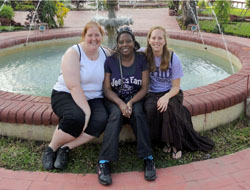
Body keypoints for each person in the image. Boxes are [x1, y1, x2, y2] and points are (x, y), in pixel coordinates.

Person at [42, 21, 109, 170]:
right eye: (89, 35)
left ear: (102, 36)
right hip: (66, 93)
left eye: (97, 35)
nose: (93, 38)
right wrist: (87, 111)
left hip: (94, 97)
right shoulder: (73, 53)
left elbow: (124, 54)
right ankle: (51, 149)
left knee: (101, 120)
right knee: (76, 117)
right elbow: (73, 86)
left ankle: (65, 148)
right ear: (84, 36)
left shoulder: (105, 53)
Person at [97, 26, 156, 185]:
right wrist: (121, 104)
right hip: (114, 99)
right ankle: (104, 162)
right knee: (115, 115)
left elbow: (144, 88)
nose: (125, 44)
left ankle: (148, 157)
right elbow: (107, 89)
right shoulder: (110, 61)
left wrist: (129, 102)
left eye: (128, 41)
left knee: (138, 113)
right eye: (121, 42)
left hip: (135, 98)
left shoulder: (141, 59)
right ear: (117, 44)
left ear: (133, 42)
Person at [144, 26, 214, 159]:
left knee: (169, 109)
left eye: (160, 38)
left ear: (165, 41)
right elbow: (127, 52)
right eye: (153, 38)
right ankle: (164, 142)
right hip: (152, 93)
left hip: (171, 92)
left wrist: (166, 97)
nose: (156, 41)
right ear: (148, 40)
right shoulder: (144, 54)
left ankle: (176, 144)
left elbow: (176, 87)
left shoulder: (172, 58)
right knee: (150, 109)